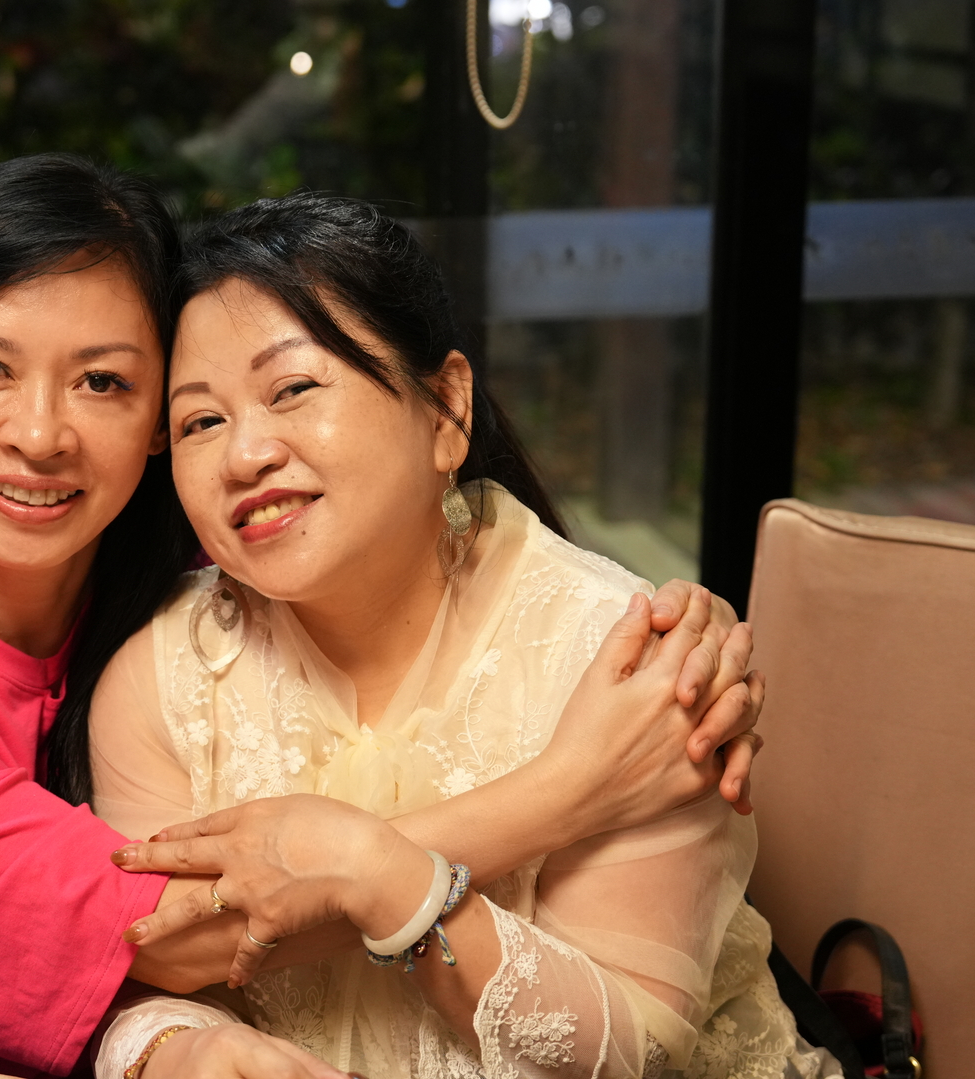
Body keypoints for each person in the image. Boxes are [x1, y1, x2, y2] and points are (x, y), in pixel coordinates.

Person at [0, 155, 766, 1077]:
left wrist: (689, 637)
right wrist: (576, 787)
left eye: (104, 383)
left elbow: (404, 539)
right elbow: (159, 934)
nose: (42, 435)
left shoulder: (188, 553)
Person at [92, 193, 829, 1078]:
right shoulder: (161, 676)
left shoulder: (623, 655)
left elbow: (631, 1049)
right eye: (200, 422)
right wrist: (174, 1045)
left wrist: (387, 880)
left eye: (293, 389)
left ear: (445, 410)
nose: (245, 455)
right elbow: (152, 953)